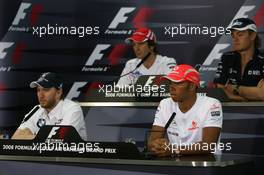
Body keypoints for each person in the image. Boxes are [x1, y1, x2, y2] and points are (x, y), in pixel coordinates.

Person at [148, 64, 223, 157]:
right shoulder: (165, 104)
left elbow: (208, 146)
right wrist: (157, 145)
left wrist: (173, 150)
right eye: (170, 83)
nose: (171, 87)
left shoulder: (212, 104)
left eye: (177, 83)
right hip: (176, 160)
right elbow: (152, 142)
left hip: (207, 162)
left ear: (191, 86)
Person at [12, 72, 87, 140]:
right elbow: (16, 137)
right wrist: (43, 138)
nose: (40, 95)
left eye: (45, 89)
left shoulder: (72, 108)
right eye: (38, 90)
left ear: (59, 92)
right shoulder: (37, 110)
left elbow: (62, 140)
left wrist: (32, 136)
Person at [214, 18, 264, 101]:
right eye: (233, 35)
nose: (235, 39)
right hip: (232, 112)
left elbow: (262, 94)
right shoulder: (227, 57)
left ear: (252, 36)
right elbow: (219, 90)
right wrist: (241, 97)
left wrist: (234, 88)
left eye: (240, 35)